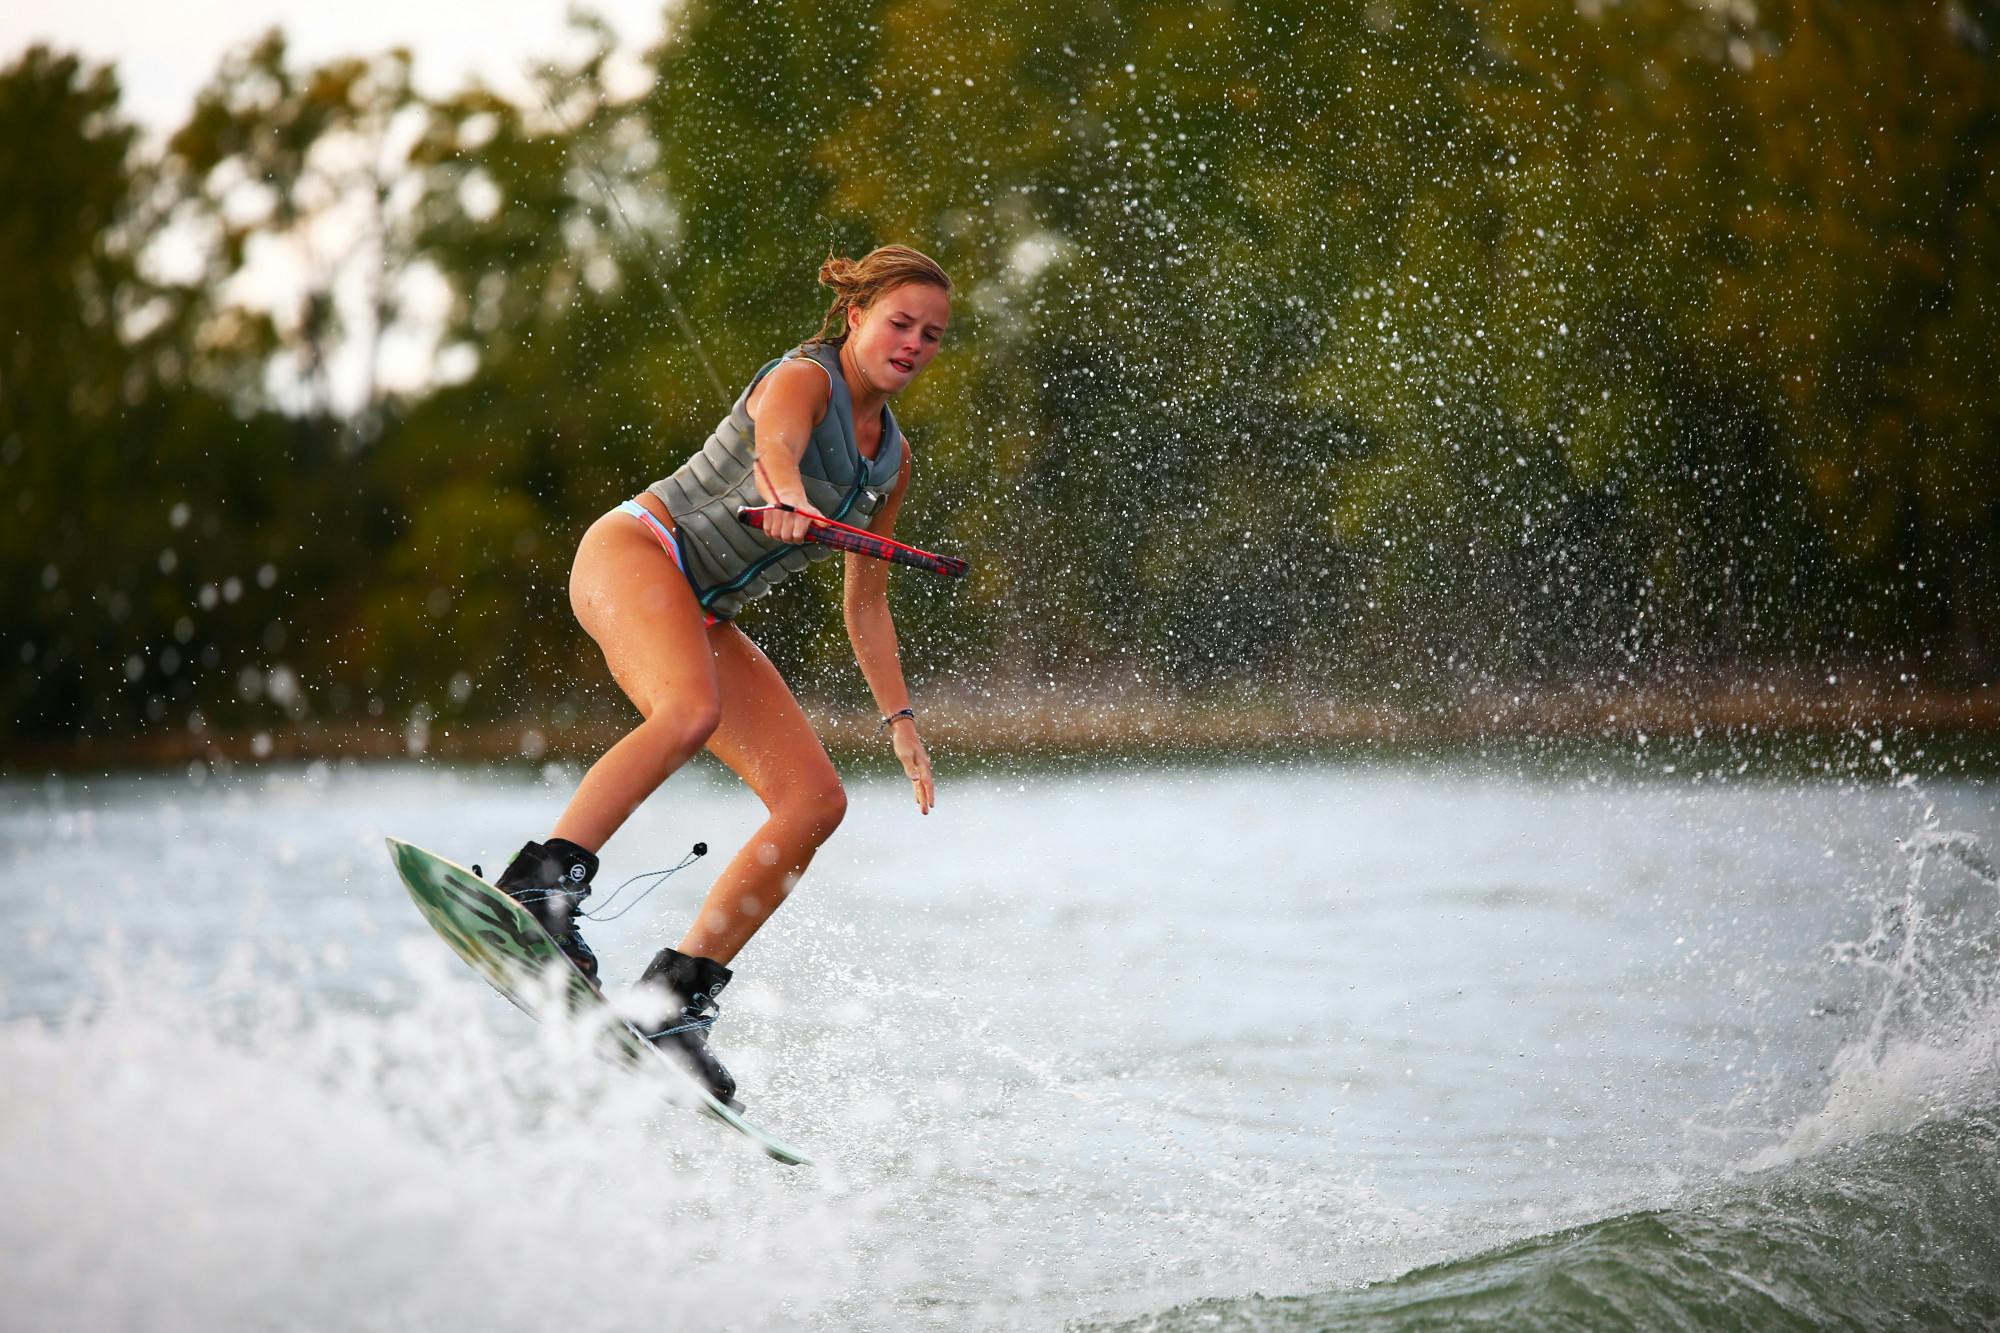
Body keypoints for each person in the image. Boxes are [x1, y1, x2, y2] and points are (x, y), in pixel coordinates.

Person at [492, 245, 951, 1108]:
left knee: (818, 800)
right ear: (855, 317)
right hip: (636, 549)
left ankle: (674, 1000)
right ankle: (540, 883)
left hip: (704, 608)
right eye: (900, 322)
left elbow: (868, 607)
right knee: (688, 711)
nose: (915, 343)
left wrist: (901, 721)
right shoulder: (803, 378)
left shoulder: (893, 459)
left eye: (931, 335)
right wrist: (788, 496)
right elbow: (777, 445)